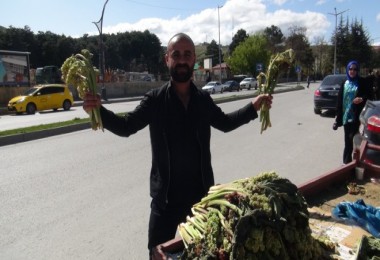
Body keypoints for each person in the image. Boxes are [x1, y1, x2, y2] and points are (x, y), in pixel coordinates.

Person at [82, 32, 272, 258]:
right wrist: (98, 110)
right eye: (176, 54)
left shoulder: (202, 100)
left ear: (193, 60)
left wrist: (253, 107)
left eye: (187, 54)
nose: (182, 60)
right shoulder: (155, 100)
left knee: (202, 253)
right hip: (165, 202)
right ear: (167, 59)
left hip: (201, 199)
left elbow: (226, 123)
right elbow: (126, 126)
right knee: (157, 254)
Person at [333, 60, 373, 164]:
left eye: (355, 69)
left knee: (354, 138)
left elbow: (369, 95)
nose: (352, 71)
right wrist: (337, 116)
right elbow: (339, 100)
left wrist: (361, 99)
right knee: (347, 140)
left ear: (357, 70)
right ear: (347, 69)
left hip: (357, 116)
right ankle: (346, 163)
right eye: (350, 69)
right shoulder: (344, 83)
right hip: (346, 116)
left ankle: (356, 162)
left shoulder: (362, 82)